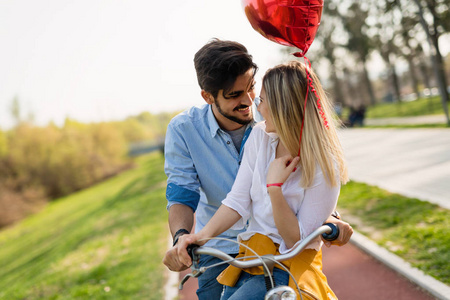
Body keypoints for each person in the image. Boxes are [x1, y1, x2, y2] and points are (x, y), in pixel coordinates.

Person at [163, 39, 353, 299]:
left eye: (253, 90)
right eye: (234, 95)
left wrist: (321, 213)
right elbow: (200, 194)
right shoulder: (251, 136)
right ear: (208, 97)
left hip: (283, 257)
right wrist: (191, 237)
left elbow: (299, 226)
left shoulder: (269, 131)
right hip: (226, 246)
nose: (251, 103)